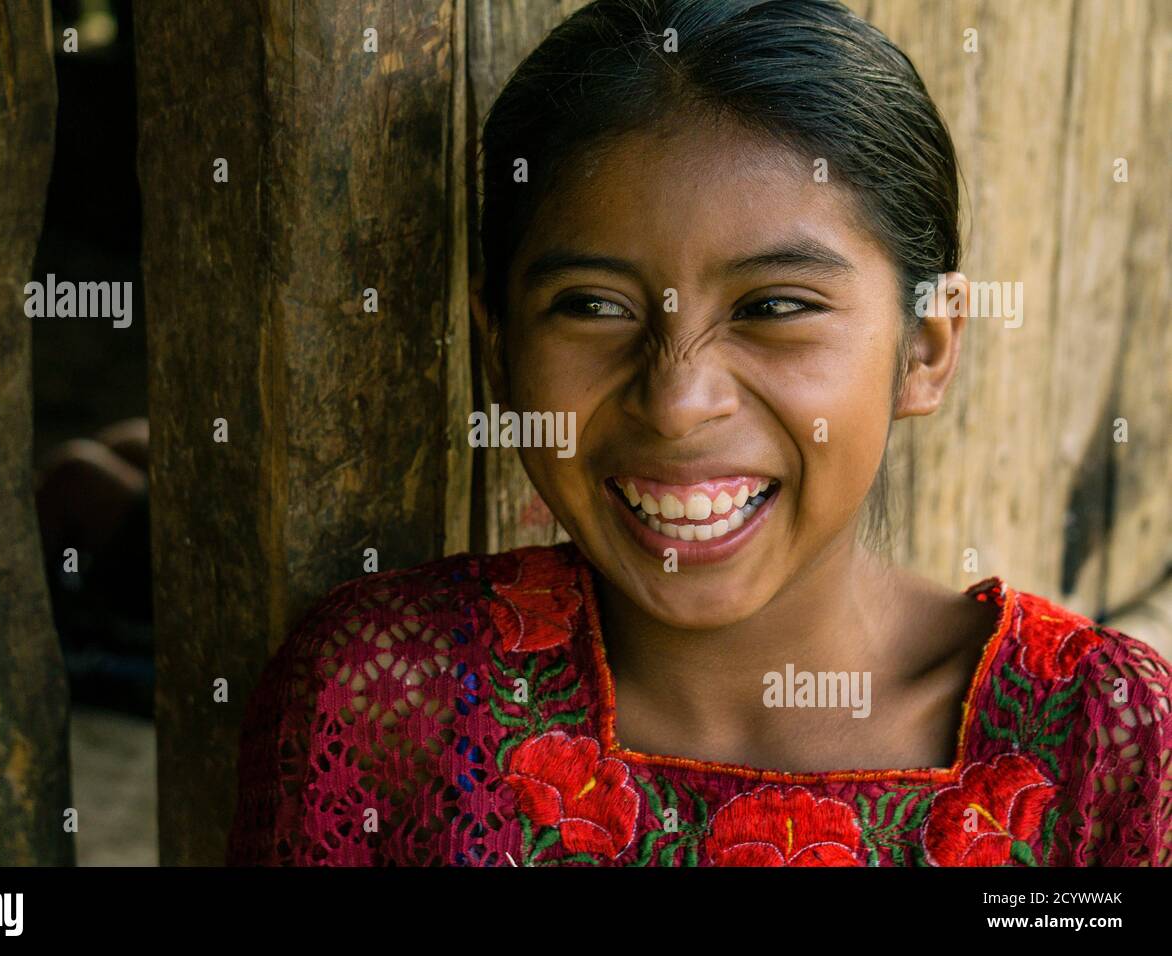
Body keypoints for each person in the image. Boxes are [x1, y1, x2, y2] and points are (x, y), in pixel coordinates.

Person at [227, 0, 1171, 866]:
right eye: (593, 305)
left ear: (924, 348)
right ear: (499, 348)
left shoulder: (1094, 742)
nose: (677, 401)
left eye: (774, 305)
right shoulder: (391, 698)